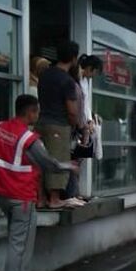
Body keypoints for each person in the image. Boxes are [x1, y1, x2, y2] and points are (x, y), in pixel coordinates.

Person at [0, 95, 79, 271]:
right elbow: (48, 163)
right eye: (37, 112)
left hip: (1, 195)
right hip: (21, 198)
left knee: (15, 243)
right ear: (30, 113)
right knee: (21, 248)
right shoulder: (28, 138)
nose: (38, 115)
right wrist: (69, 166)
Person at [37, 42, 83, 208]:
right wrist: (74, 125)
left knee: (40, 161)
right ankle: (54, 199)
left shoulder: (44, 75)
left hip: (41, 122)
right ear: (73, 58)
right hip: (58, 125)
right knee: (58, 160)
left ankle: (40, 198)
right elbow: (72, 110)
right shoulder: (67, 81)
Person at [63, 54, 103, 202]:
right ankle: (71, 193)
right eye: (94, 72)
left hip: (84, 124)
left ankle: (75, 191)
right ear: (89, 68)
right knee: (74, 158)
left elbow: (86, 104)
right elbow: (78, 105)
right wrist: (83, 123)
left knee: (79, 158)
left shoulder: (85, 81)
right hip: (76, 124)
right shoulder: (75, 80)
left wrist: (90, 120)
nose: (93, 76)